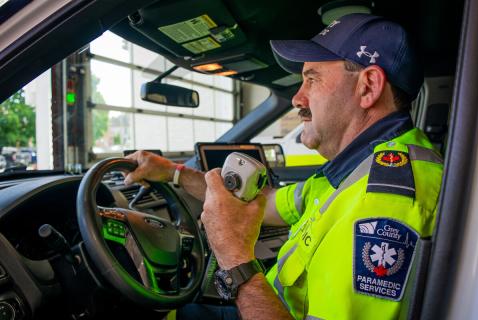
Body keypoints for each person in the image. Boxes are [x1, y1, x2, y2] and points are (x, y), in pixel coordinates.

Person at [125, 13, 443, 320]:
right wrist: (172, 172)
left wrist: (235, 256)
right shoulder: (355, 169)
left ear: (368, 87)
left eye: (311, 79)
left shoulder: (382, 203)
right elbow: (263, 205)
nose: (297, 98)